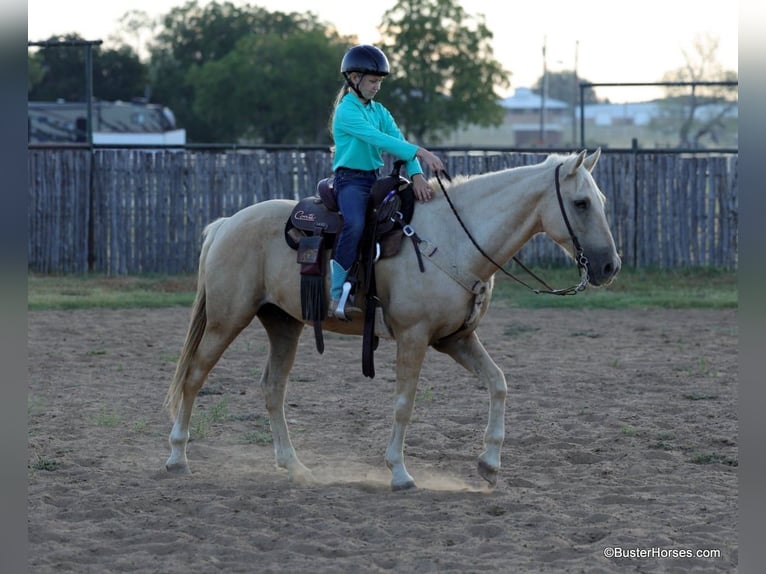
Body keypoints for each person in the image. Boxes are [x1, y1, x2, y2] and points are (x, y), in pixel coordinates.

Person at [328, 44, 446, 319]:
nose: (377, 87)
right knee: (355, 224)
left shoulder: (379, 111)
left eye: (379, 82)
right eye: (372, 81)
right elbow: (378, 139)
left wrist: (416, 174)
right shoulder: (347, 112)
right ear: (354, 79)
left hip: (374, 179)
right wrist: (421, 152)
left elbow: (398, 140)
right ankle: (336, 295)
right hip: (350, 181)